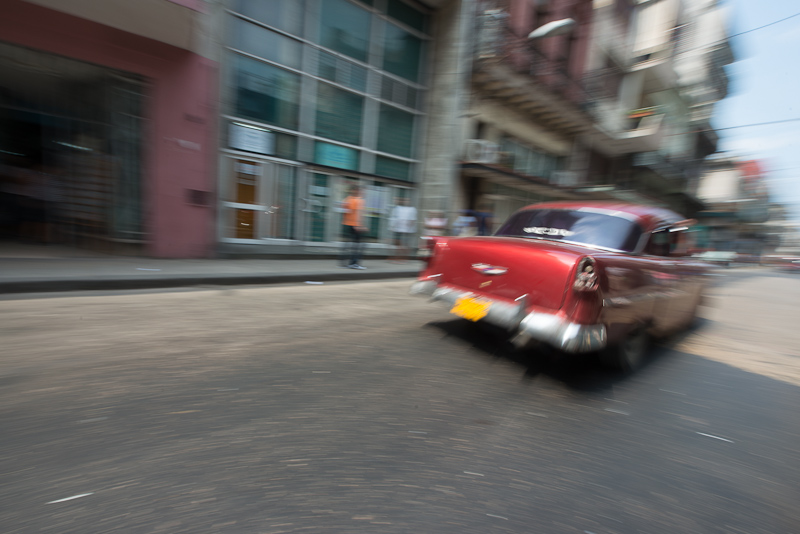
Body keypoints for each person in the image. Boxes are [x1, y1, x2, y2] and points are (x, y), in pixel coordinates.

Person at [340, 184, 367, 269]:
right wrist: (359, 225)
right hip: (355, 225)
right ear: (356, 191)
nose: (362, 192)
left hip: (347, 224)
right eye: (361, 191)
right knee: (357, 246)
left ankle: (343, 263)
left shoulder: (347, 199)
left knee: (348, 244)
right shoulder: (359, 201)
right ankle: (354, 263)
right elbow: (358, 214)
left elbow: (345, 212)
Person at [388, 197, 417, 262]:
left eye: (408, 200)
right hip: (398, 229)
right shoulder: (398, 208)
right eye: (405, 200)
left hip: (408, 230)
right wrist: (393, 227)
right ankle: (397, 257)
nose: (406, 202)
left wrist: (409, 228)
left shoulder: (412, 209)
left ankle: (404, 257)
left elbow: (412, 220)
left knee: (405, 244)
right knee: (397, 243)